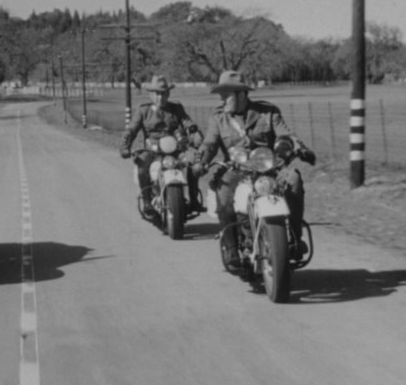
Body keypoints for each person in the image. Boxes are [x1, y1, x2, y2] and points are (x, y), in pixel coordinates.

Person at [196, 70, 316, 266]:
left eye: (227, 94)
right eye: (221, 94)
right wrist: (201, 161)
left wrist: (300, 148)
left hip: (269, 167)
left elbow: (285, 135)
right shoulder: (218, 118)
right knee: (224, 193)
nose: (222, 99)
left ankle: (294, 237)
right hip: (236, 169)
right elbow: (209, 143)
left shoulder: (268, 112)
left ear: (241, 94)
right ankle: (231, 248)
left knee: (293, 178)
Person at [119, 74, 204, 217]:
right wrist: (125, 146)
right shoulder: (143, 111)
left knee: (192, 162)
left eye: (163, 93)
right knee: (142, 166)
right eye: (157, 93)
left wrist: (195, 135)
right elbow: (131, 130)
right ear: (151, 94)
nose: (160, 97)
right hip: (152, 149)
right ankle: (147, 202)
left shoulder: (176, 108)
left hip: (176, 149)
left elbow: (188, 123)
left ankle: (194, 199)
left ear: (168, 93)